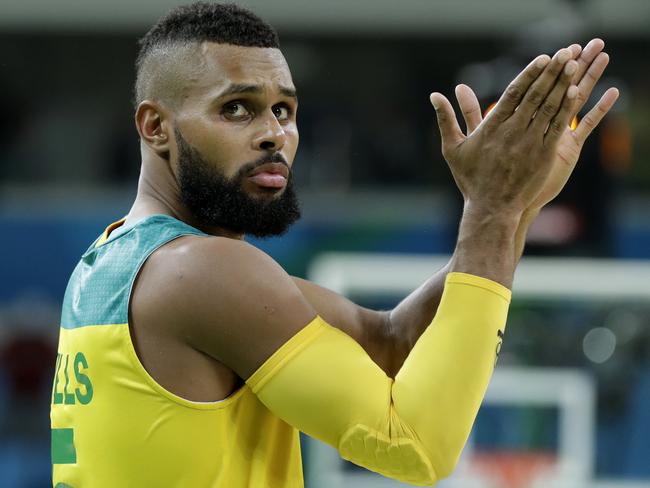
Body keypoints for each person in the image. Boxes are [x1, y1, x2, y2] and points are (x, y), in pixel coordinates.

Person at [50, 2, 619, 487]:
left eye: (284, 110)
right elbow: (416, 446)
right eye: (236, 108)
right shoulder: (199, 271)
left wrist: (513, 208)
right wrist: (491, 210)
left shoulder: (119, 260)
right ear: (155, 127)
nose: (274, 132)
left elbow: (389, 343)